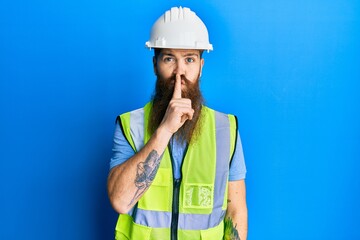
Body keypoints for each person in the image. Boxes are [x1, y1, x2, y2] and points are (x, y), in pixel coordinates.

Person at [107, 6, 247, 240]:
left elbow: (236, 211)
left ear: (201, 67)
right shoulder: (130, 125)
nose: (179, 72)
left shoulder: (226, 129)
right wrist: (164, 130)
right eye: (169, 58)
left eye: (189, 59)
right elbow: (120, 201)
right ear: (155, 65)